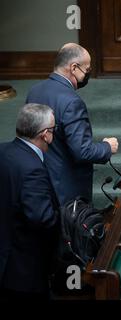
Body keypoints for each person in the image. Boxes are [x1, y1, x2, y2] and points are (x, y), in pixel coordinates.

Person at [26, 43, 119, 205]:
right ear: (74, 67)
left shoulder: (35, 90)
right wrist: (107, 147)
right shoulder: (72, 102)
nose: (87, 75)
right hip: (65, 190)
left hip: (38, 180)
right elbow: (82, 151)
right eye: (87, 70)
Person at [0, 104, 59, 300]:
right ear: (45, 134)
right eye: (53, 129)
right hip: (23, 270)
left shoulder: (3, 151)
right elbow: (42, 219)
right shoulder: (32, 168)